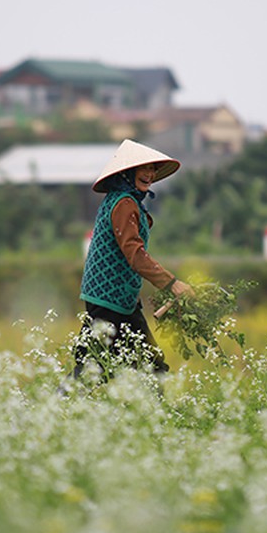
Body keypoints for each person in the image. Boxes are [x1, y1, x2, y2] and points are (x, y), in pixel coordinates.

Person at [60, 139, 193, 393]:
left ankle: (154, 424)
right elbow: (134, 254)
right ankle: (53, 413)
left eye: (153, 169)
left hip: (119, 300)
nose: (150, 174)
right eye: (144, 168)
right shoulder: (124, 204)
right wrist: (172, 284)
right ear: (127, 172)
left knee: (145, 367)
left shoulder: (123, 201)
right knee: (97, 367)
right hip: (109, 301)